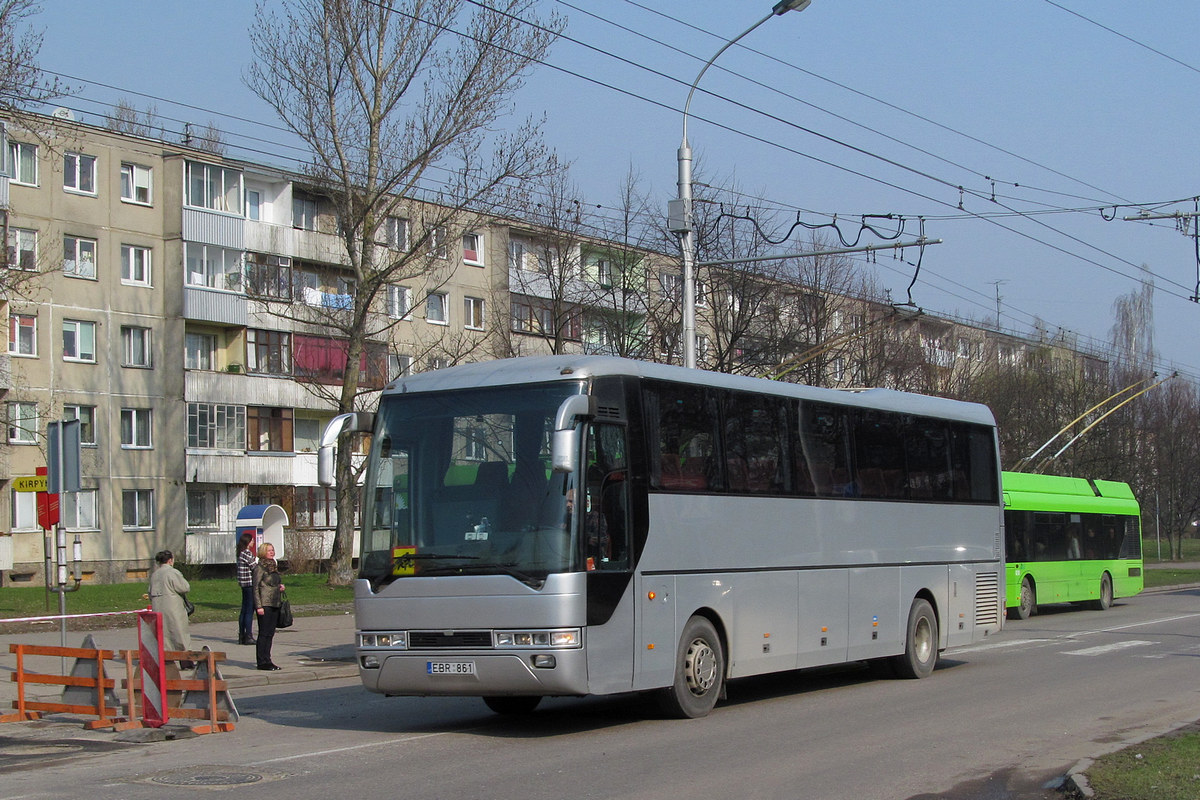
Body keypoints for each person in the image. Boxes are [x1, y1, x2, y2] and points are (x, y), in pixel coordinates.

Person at [148, 550, 192, 655]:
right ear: (170, 560)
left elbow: (150, 592)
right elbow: (184, 587)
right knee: (179, 632)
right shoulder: (173, 572)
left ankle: (166, 657)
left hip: (157, 607)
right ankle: (185, 659)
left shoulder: (154, 575)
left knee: (163, 634)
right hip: (173, 607)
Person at [253, 542, 285, 671]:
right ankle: (262, 661)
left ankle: (268, 659)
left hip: (275, 603)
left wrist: (280, 587)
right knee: (264, 633)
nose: (272, 552)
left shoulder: (273, 566)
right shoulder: (259, 568)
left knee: (270, 633)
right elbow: (255, 588)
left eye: (273, 550)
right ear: (263, 553)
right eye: (269, 551)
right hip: (264, 604)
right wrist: (258, 606)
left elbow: (274, 583)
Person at [235, 533, 257, 645]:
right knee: (249, 611)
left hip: (243, 584)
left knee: (244, 610)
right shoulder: (247, 553)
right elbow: (255, 567)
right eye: (252, 541)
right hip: (249, 584)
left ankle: (242, 634)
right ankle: (248, 635)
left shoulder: (240, 553)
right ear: (248, 542)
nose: (253, 542)